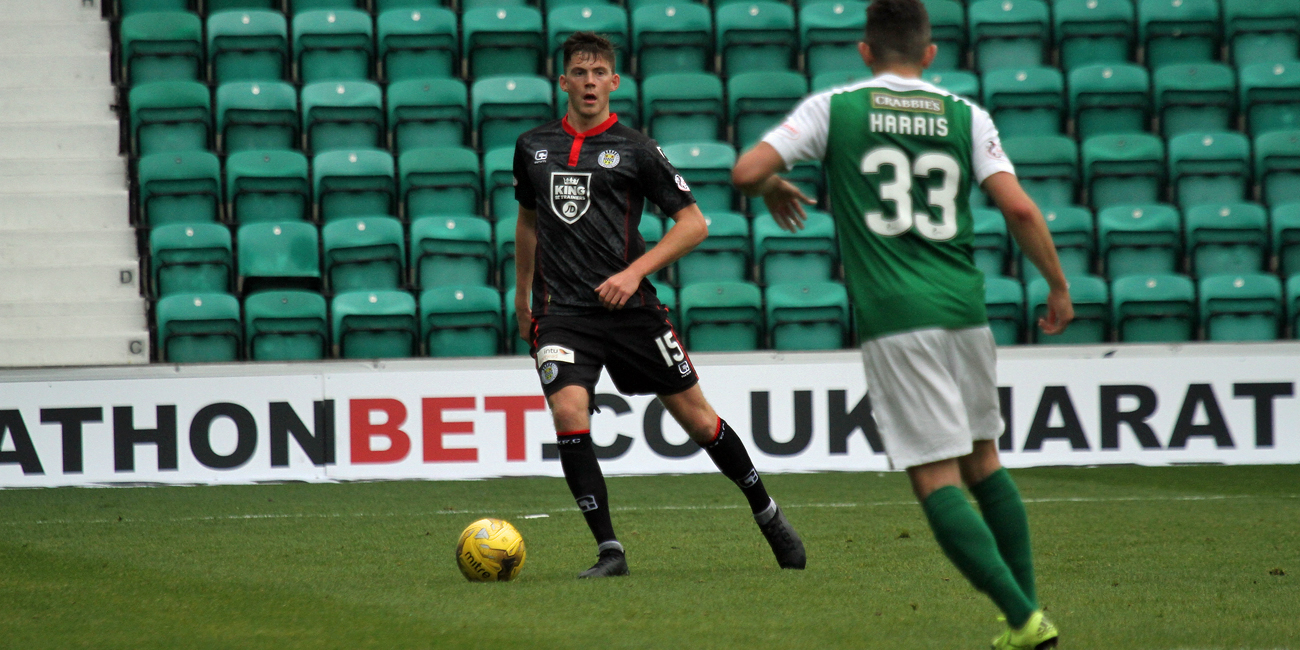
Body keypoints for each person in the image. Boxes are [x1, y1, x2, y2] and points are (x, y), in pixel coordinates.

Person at [732, 0, 1072, 646]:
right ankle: (1027, 613)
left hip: (896, 316)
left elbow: (746, 170)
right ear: (929, 54)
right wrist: (1057, 287)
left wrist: (772, 185)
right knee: (985, 462)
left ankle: (1024, 619)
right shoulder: (966, 115)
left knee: (933, 476)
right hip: (965, 310)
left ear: (865, 51)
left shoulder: (835, 108)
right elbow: (1021, 211)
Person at [512, 31, 806, 579]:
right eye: (580, 72)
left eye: (599, 73)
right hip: (564, 313)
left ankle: (766, 512)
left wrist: (633, 273)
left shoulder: (638, 149)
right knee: (568, 412)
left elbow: (694, 224)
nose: (590, 81)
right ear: (564, 82)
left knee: (699, 421)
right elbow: (528, 221)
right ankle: (610, 551)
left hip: (632, 310)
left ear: (614, 82)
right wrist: (522, 296)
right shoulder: (532, 147)